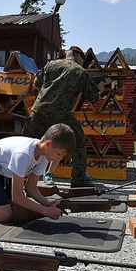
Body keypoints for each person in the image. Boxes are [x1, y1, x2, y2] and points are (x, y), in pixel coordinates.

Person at [22, 46, 110, 188]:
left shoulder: (51, 65)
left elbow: (37, 83)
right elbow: (93, 98)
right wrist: (100, 89)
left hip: (39, 111)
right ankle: (78, 181)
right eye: (83, 59)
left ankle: (15, 177)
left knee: (26, 143)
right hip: (62, 115)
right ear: (78, 56)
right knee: (79, 143)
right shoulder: (79, 71)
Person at [0, 123, 76, 224]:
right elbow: (17, 197)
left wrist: (48, 204)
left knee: (17, 210)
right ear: (48, 144)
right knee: (4, 216)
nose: (59, 158)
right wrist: (46, 211)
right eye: (59, 154)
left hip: (4, 171)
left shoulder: (44, 155)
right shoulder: (23, 155)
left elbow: (31, 188)